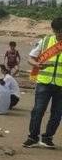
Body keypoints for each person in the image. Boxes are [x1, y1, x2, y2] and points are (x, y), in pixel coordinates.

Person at [23, 17, 62, 149]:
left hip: (61, 85)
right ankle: (32, 137)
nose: (61, 35)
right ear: (54, 30)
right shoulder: (45, 41)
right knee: (38, 111)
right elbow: (30, 58)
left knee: (57, 114)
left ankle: (47, 138)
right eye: (59, 32)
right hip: (44, 83)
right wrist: (37, 64)